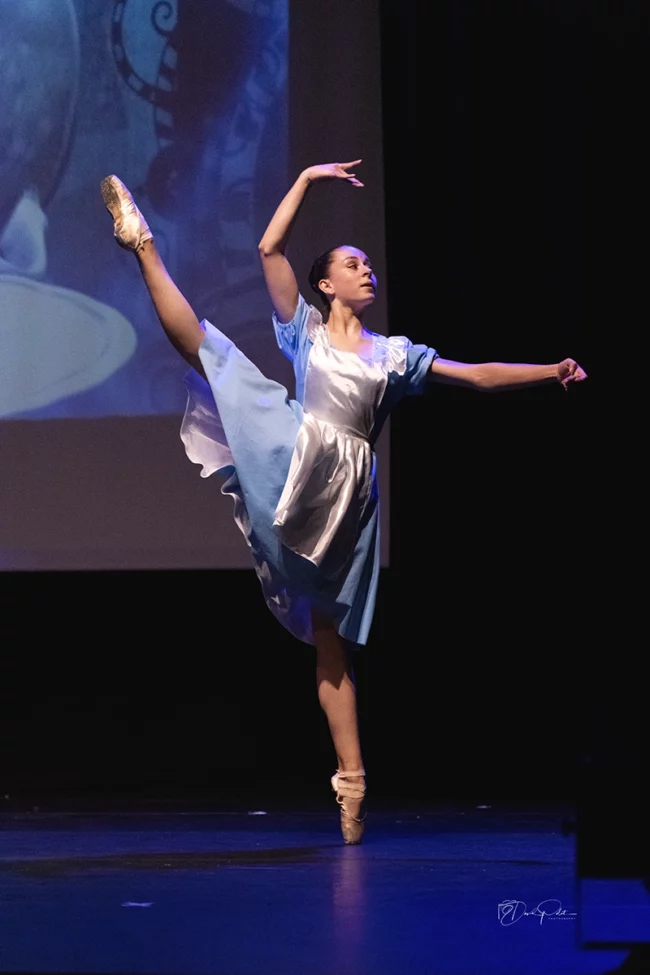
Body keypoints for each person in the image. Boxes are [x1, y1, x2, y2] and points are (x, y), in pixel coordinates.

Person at [100, 161, 587, 843]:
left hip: (350, 501)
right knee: (210, 352)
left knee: (331, 642)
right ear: (326, 283)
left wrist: (549, 370)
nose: (367, 271)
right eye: (352, 264)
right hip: (296, 453)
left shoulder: (395, 355)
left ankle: (351, 784)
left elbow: (475, 375)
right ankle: (144, 245)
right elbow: (269, 250)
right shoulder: (303, 330)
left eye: (366, 264)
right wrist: (304, 178)